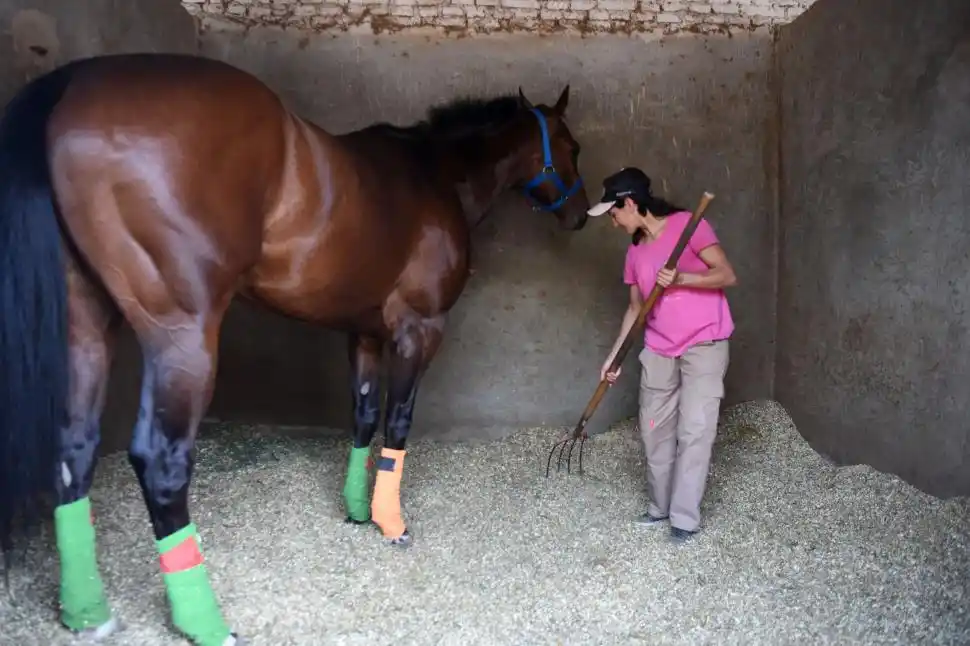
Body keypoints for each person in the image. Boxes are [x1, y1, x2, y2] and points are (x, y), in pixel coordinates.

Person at [587, 167, 737, 544]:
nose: (612, 221)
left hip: (704, 343)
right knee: (654, 430)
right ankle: (659, 507)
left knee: (695, 429)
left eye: (613, 212)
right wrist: (615, 356)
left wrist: (683, 279)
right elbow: (635, 308)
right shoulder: (635, 252)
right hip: (658, 348)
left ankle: (684, 519)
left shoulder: (689, 225)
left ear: (631, 203)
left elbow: (726, 275)